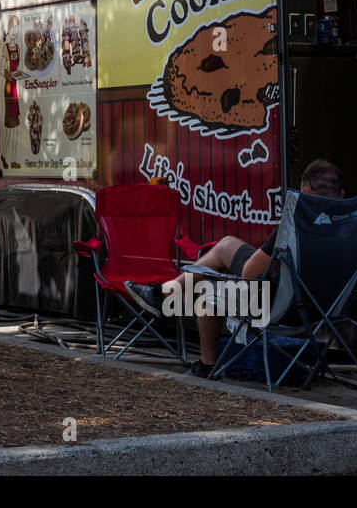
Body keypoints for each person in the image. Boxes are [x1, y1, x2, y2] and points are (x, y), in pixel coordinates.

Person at [129, 158, 345, 378]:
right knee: (226, 250)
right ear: (342, 194)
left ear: (306, 191)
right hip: (327, 310)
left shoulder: (294, 225)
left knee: (211, 290)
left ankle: (202, 357)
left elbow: (250, 273)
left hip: (282, 308)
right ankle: (165, 294)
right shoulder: (353, 226)